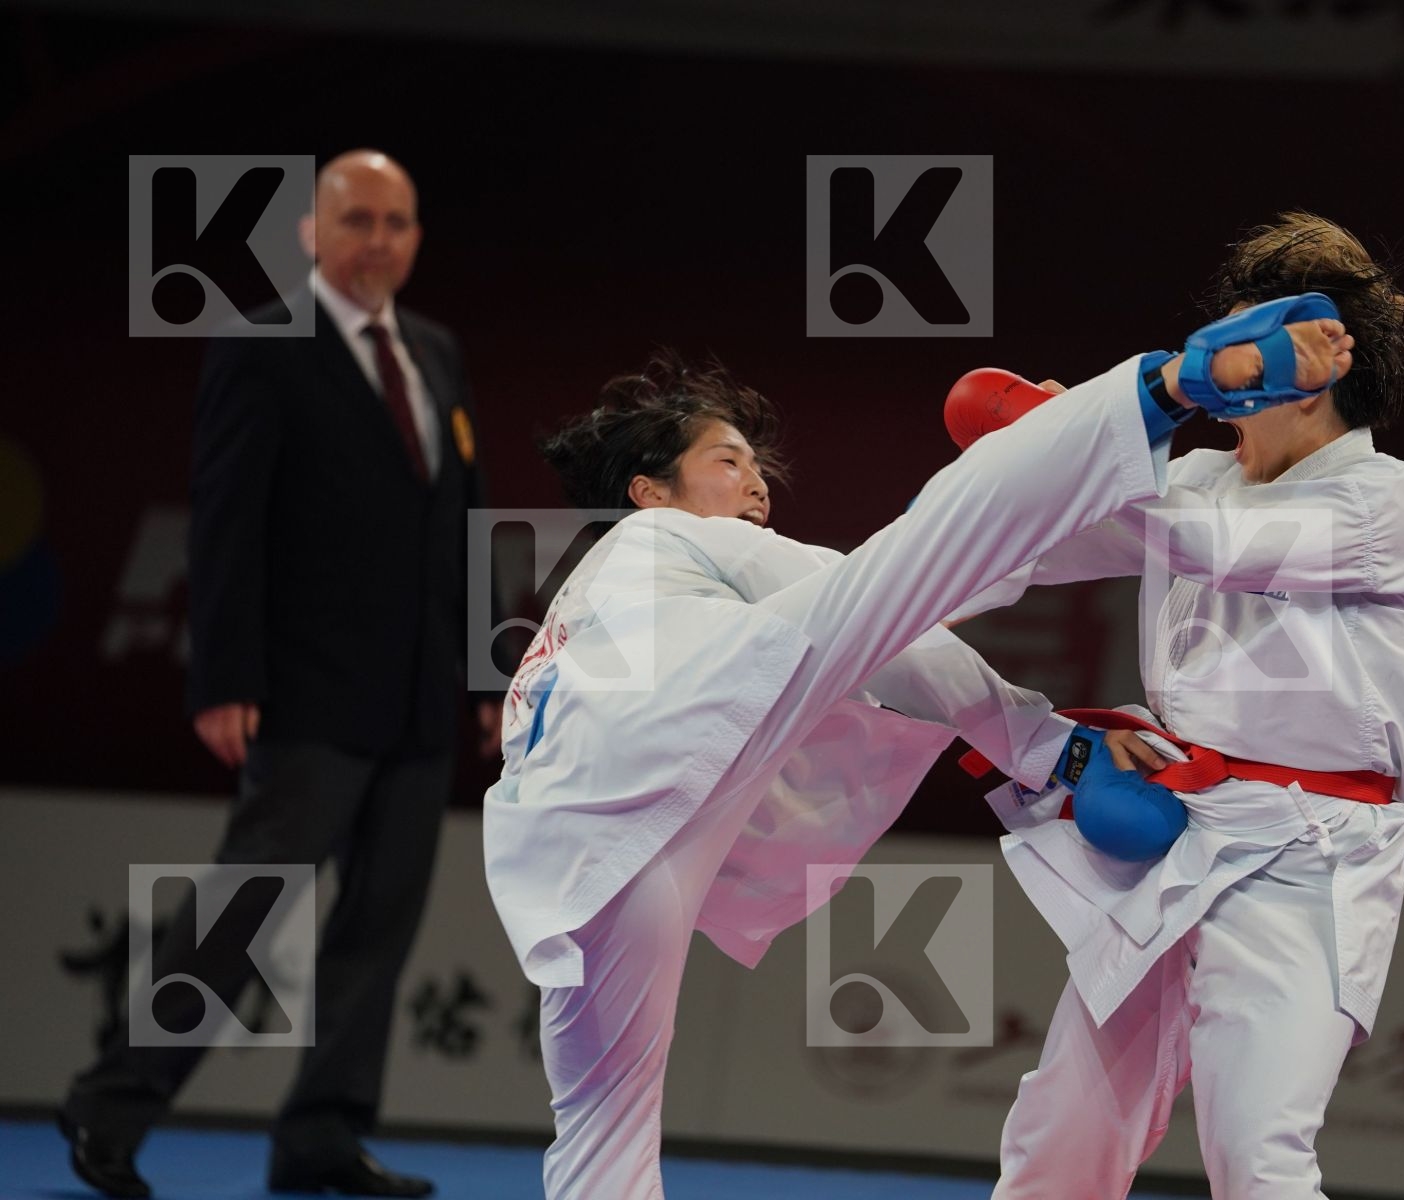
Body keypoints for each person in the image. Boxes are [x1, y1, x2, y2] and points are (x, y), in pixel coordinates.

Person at [483, 312, 1353, 1200]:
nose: (756, 483)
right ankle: (1171, 386)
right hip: (663, 753)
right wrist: (1061, 751)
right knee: (914, 564)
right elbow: (899, 620)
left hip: (574, 861)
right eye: (728, 460)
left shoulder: (575, 622)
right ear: (648, 492)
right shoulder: (665, 536)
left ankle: (1100, 432)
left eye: (756, 465)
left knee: (601, 1130)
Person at [953, 212, 1404, 1200]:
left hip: (1308, 857)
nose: (1222, 370)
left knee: (1257, 1152)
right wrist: (1035, 464)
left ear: (1314, 367)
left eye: (1243, 349)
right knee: (1060, 1137)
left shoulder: (1388, 499)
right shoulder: (1201, 476)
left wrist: (1087, 437)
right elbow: (1027, 555)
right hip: (1178, 829)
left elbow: (1209, 547)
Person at [59, 149, 499, 1199]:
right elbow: (225, 521)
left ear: (416, 237)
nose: (377, 240)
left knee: (377, 928)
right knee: (242, 912)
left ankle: (322, 1134)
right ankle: (108, 1105)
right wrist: (223, 676)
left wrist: (489, 671)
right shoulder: (262, 345)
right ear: (310, 231)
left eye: (396, 221)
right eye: (356, 219)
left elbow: (464, 523)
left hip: (416, 701)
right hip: (306, 693)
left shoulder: (435, 351)